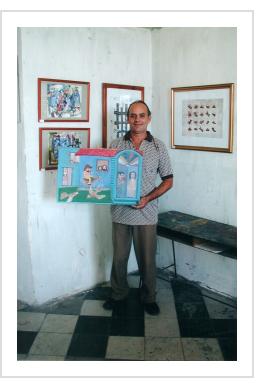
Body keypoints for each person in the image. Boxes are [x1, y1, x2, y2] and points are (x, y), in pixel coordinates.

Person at [103, 100, 173, 315]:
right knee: (119, 257)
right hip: (120, 212)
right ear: (127, 118)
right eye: (133, 115)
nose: (137, 119)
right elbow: (105, 175)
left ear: (149, 118)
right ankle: (118, 294)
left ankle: (149, 297)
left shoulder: (159, 146)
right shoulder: (115, 145)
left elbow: (168, 180)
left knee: (147, 260)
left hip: (147, 213)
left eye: (141, 115)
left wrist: (148, 198)